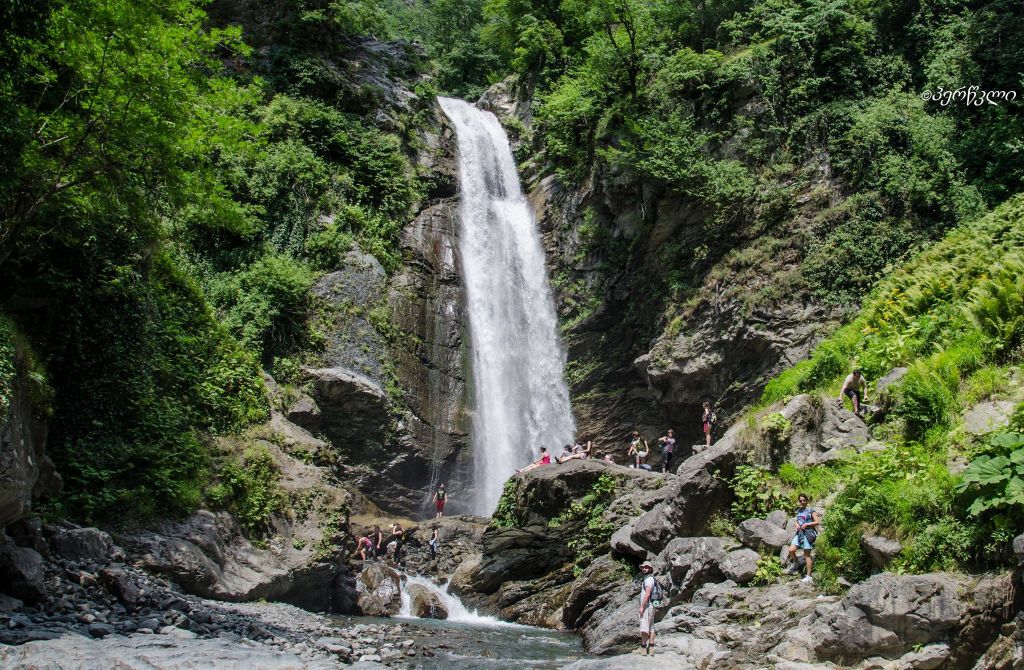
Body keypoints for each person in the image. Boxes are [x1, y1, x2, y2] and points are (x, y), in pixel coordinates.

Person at [784, 493, 822, 583]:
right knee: (791, 550)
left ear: (807, 501)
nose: (802, 502)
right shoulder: (799, 510)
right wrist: (797, 524)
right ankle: (797, 563)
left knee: (807, 555)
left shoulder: (810, 510)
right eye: (800, 500)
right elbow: (797, 520)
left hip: (808, 533)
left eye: (804, 500)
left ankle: (809, 576)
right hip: (800, 533)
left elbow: (817, 521)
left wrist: (807, 524)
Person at [638, 561, 658, 656]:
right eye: (643, 567)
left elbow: (648, 593)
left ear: (650, 569)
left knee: (644, 627)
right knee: (651, 626)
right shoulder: (650, 578)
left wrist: (642, 606)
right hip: (651, 605)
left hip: (647, 606)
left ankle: (643, 648)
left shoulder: (648, 579)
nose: (644, 569)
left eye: (646, 567)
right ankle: (651, 648)